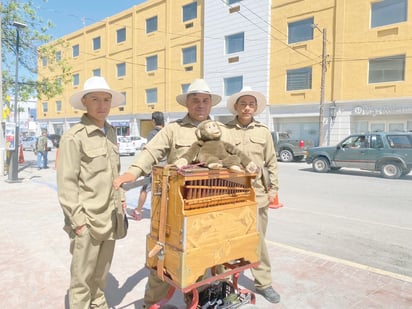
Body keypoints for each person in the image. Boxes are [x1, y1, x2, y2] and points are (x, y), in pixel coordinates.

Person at [113, 78, 221, 308]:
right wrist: (132, 172)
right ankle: (151, 303)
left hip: (210, 208)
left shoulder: (221, 131)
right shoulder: (173, 129)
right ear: (187, 104)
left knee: (204, 258)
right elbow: (151, 152)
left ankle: (198, 299)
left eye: (205, 100)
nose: (200, 105)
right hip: (174, 209)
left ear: (210, 104)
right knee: (163, 259)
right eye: (196, 100)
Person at [56, 76, 127, 308]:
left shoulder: (111, 133)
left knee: (101, 276)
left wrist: (122, 199)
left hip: (110, 218)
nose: (102, 105)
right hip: (87, 219)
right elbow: (67, 183)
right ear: (85, 102)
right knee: (81, 280)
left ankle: (98, 304)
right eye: (95, 99)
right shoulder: (73, 137)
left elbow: (115, 173)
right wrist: (78, 222)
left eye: (106, 99)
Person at [222, 86, 281, 304]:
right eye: (243, 103)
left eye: (251, 104)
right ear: (236, 107)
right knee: (225, 239)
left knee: (257, 242)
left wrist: (272, 190)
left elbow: (272, 162)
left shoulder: (263, 132)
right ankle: (224, 282)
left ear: (255, 108)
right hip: (229, 196)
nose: (247, 107)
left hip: (256, 196)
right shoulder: (224, 130)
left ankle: (263, 283)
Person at [131, 111, 165, 221]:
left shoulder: (152, 134)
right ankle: (162, 212)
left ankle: (138, 211)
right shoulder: (166, 132)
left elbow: (151, 152)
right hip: (165, 166)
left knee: (145, 189)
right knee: (162, 191)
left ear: (154, 121)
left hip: (154, 167)